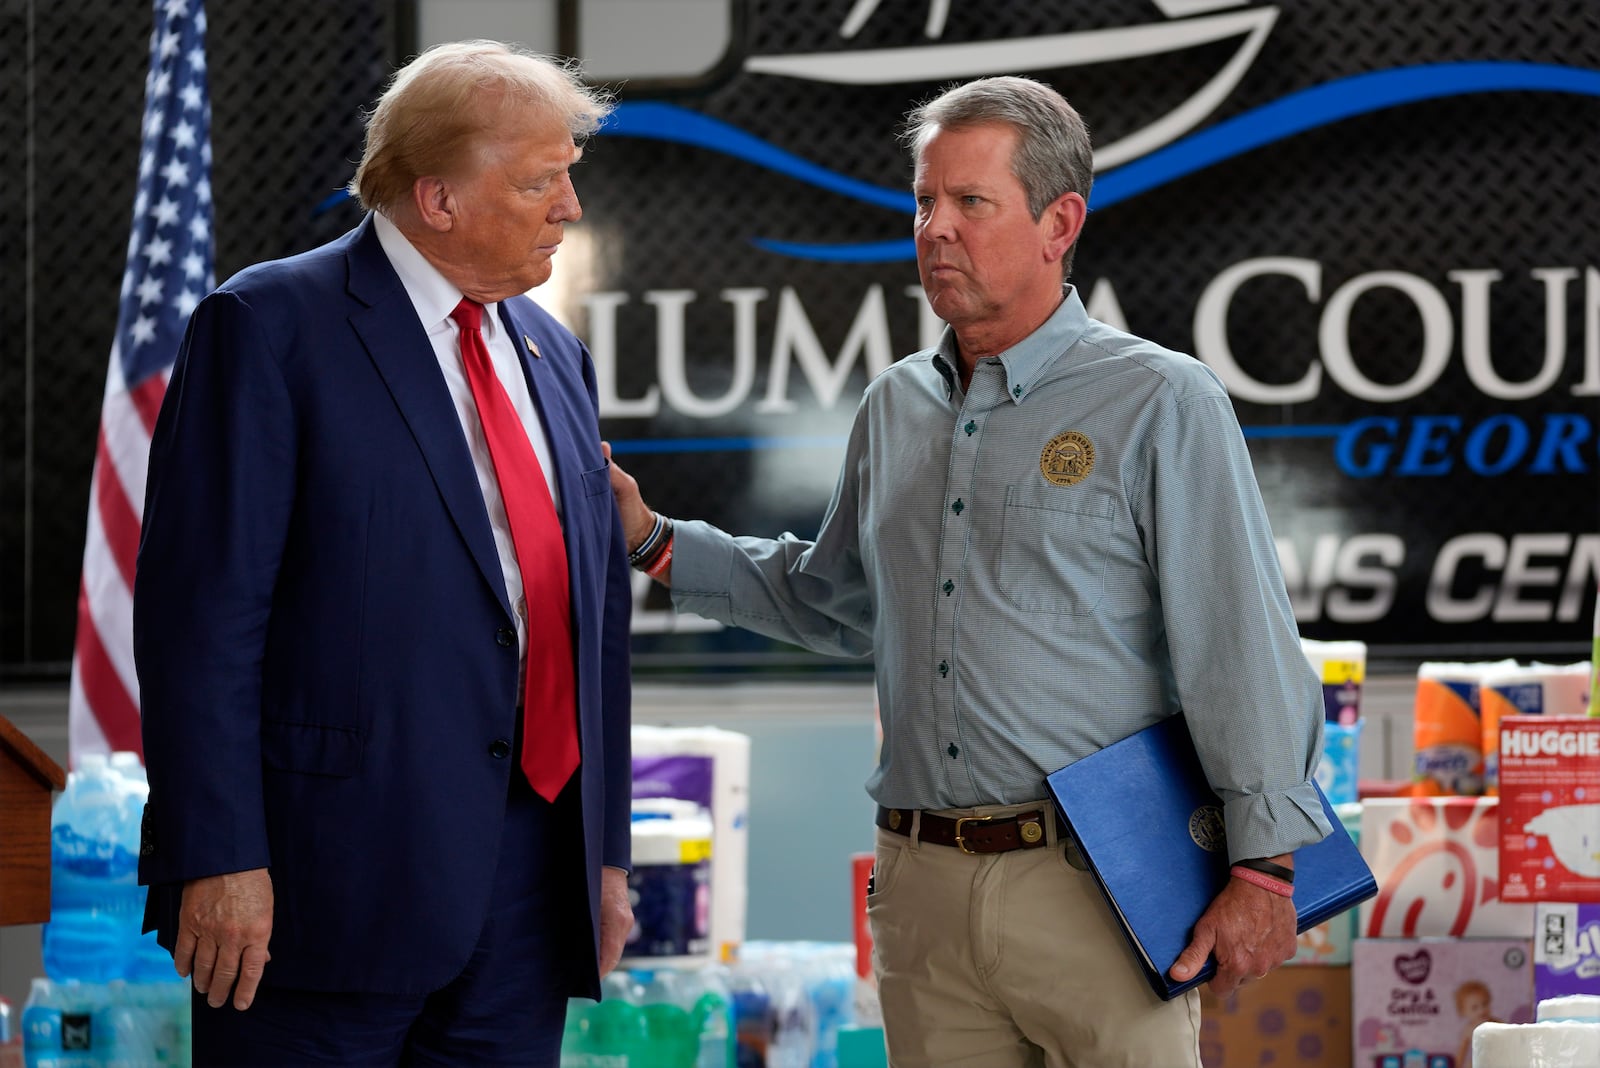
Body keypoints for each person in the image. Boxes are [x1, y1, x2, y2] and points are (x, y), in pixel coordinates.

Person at [606, 75, 1329, 1067]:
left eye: (970, 202)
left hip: (1100, 892)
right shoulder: (893, 406)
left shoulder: (1160, 400)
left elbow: (1237, 648)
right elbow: (830, 600)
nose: (933, 229)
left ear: (1058, 222)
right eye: (922, 200)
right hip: (922, 894)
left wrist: (1267, 874)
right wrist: (650, 538)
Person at [134, 40, 634, 1065]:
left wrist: (605, 855)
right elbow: (202, 621)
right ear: (437, 197)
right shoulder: (265, 325)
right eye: (542, 180)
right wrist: (218, 853)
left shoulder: (553, 352)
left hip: (530, 891)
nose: (569, 209)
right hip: (320, 892)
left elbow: (590, 621)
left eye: (569, 179)